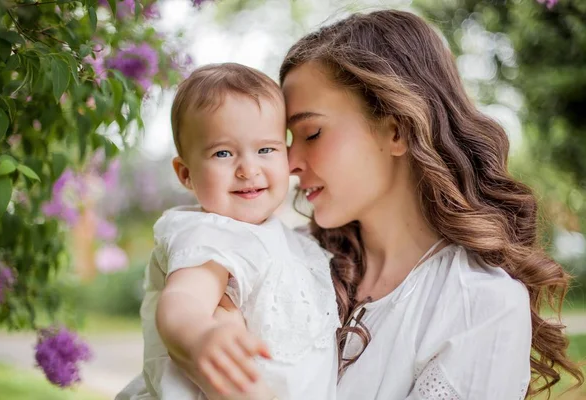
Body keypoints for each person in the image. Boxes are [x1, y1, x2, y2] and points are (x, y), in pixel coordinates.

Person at [153, 9, 584, 400]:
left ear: (395, 131)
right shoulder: (287, 257)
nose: (291, 163)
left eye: (311, 134)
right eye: (284, 142)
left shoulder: (478, 305)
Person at [117, 63, 340, 400]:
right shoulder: (209, 234)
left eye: (266, 149)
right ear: (185, 173)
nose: (248, 169)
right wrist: (199, 337)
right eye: (223, 153)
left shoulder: (290, 240)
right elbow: (183, 300)